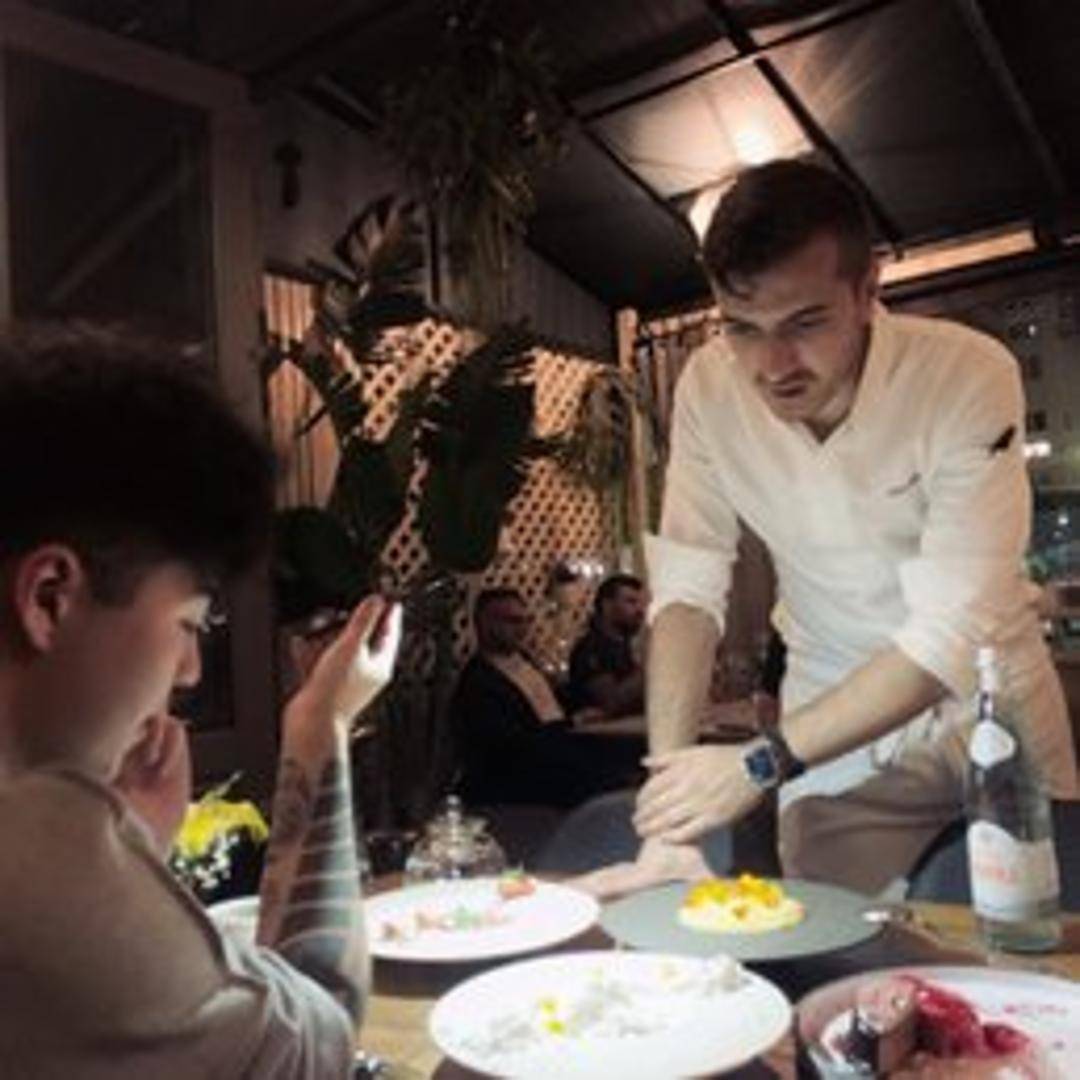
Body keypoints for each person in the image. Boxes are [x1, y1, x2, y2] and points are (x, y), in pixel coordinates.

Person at [620, 159, 1077, 896]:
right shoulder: (708, 388)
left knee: (1033, 928)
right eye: (742, 329)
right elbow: (687, 586)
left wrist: (759, 762)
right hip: (829, 710)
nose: (773, 366)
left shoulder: (964, 373)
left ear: (868, 290)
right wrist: (670, 819)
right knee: (840, 936)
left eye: (805, 323)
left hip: (989, 697)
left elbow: (953, 630)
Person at [0, 325, 401, 1077]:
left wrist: (136, 850)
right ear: (49, 597)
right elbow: (317, 1038)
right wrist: (321, 725)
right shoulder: (36, 850)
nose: (187, 671)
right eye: (188, 624)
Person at [450, 588, 641, 808]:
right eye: (513, 621)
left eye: (526, 620)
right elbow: (508, 742)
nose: (523, 628)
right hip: (523, 768)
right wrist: (569, 724)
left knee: (629, 752)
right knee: (612, 772)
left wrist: (581, 714)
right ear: (486, 624)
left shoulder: (524, 661)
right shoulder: (480, 681)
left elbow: (552, 703)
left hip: (560, 742)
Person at [566, 573, 646, 718]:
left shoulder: (622, 645)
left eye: (641, 604)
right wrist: (652, 666)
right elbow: (610, 703)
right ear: (607, 605)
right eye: (631, 602)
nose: (640, 610)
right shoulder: (591, 648)